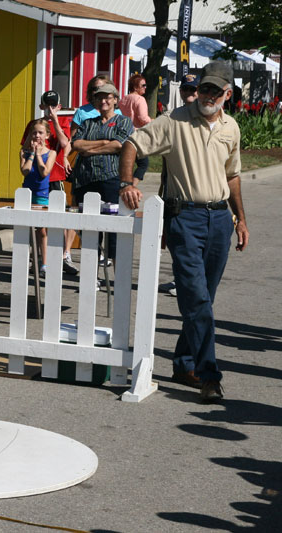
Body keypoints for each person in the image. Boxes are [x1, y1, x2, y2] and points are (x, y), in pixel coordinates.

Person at [119, 61, 249, 403]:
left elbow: (232, 175)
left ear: (227, 95)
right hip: (185, 219)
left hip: (220, 220)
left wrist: (241, 219)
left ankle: (184, 362)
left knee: (203, 298)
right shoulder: (175, 121)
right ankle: (209, 375)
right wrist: (126, 182)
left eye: (214, 91)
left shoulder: (230, 127)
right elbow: (132, 143)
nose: (207, 95)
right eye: (204, 88)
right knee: (196, 298)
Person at [71, 83, 134, 264]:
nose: (104, 100)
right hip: (86, 180)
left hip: (110, 178)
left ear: (115, 99)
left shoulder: (123, 121)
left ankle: (115, 272)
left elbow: (119, 144)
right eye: (99, 97)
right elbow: (76, 144)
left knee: (113, 228)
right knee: (89, 230)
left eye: (108, 97)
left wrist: (90, 150)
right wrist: (104, 142)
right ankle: (93, 276)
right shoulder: (87, 122)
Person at [20, 90, 79, 275]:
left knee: (60, 217)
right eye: (47, 105)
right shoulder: (35, 125)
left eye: (54, 105)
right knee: (39, 225)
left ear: (59, 107)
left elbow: (64, 143)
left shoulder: (61, 122)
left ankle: (64, 256)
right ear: (41, 106)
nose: (50, 108)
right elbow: (25, 144)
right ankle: (39, 259)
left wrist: (54, 120)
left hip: (54, 176)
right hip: (36, 179)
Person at [158, 74, 198, 298]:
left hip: (198, 192)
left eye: (193, 90)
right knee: (175, 240)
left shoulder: (206, 118)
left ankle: (190, 284)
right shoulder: (172, 118)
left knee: (194, 245)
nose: (190, 94)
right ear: (180, 92)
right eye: (186, 90)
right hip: (174, 188)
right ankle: (179, 280)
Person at [20, 119, 57, 277]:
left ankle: (44, 263)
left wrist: (39, 156)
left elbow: (44, 172)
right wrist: (32, 153)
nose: (37, 135)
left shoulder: (51, 153)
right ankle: (31, 259)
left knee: (42, 230)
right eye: (34, 132)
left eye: (40, 132)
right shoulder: (24, 152)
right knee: (29, 228)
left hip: (42, 195)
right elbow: (25, 171)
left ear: (47, 135)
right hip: (27, 194)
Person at [118, 74, 151, 186]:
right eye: (143, 85)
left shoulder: (123, 99)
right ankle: (132, 185)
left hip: (122, 134)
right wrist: (154, 122)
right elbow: (143, 118)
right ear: (135, 87)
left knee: (125, 163)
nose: (145, 87)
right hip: (136, 135)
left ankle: (124, 183)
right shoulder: (140, 99)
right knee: (143, 163)